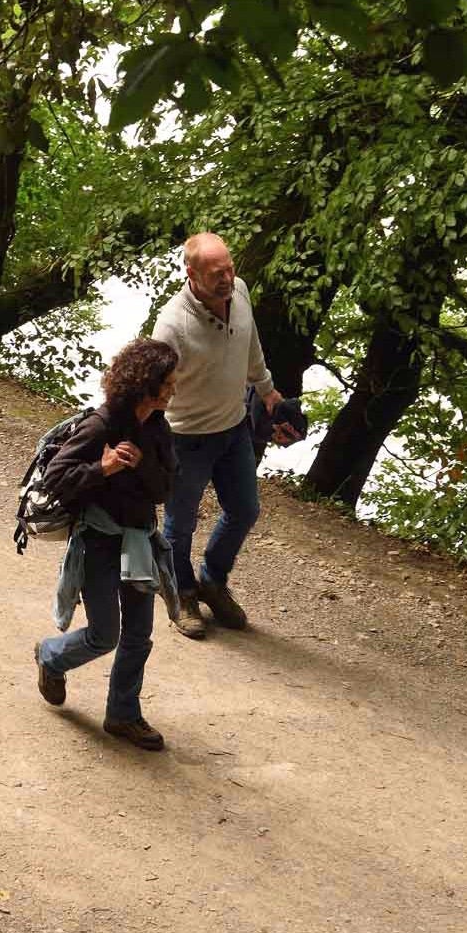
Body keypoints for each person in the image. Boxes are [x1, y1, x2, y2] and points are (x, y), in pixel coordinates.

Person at [31, 338, 181, 752]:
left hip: (139, 543)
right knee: (104, 634)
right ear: (145, 383)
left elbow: (166, 486)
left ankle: (123, 715)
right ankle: (50, 656)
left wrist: (140, 464)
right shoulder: (102, 424)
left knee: (139, 634)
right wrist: (105, 467)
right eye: (167, 383)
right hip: (99, 542)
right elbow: (58, 477)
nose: (172, 390)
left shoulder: (158, 428)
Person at [151, 232, 300, 636]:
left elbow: (250, 343)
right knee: (179, 526)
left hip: (234, 429)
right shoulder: (172, 325)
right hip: (187, 439)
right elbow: (151, 387)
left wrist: (267, 391)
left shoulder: (240, 291)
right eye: (217, 273)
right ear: (192, 274)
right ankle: (181, 594)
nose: (227, 278)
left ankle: (212, 582)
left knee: (245, 510)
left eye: (230, 268)